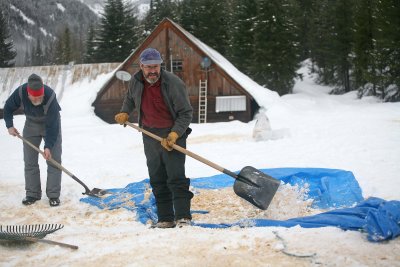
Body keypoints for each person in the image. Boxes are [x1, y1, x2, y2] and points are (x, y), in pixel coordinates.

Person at [115, 48, 193, 228]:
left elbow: (186, 113)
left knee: (176, 177)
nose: (152, 71)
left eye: (156, 67)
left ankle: (183, 216)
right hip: (149, 136)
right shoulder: (135, 81)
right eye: (148, 67)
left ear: (160, 66)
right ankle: (166, 218)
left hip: (172, 135)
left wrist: (174, 134)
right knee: (157, 178)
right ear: (141, 66)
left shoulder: (173, 83)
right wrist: (125, 112)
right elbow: (130, 99)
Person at [3, 73, 62, 207]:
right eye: (34, 98)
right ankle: (32, 194)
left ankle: (53, 195)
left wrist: (48, 146)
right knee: (30, 161)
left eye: (39, 97)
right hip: (31, 124)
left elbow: (53, 126)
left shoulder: (50, 95)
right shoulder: (20, 93)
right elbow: (7, 108)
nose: (37, 100)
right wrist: (9, 125)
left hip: (50, 124)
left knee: (54, 160)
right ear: (28, 94)